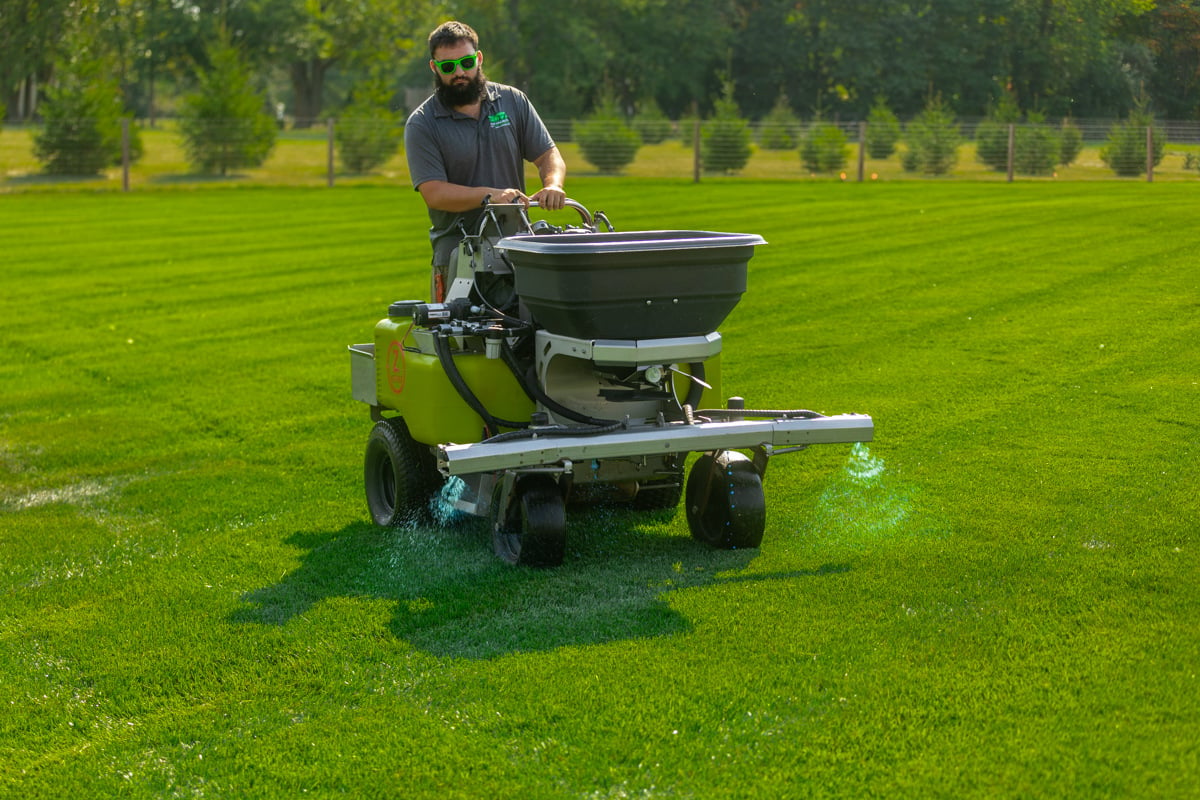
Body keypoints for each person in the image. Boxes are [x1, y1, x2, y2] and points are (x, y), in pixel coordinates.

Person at [405, 21, 566, 301]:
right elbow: (435, 193)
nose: (459, 72)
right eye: (448, 66)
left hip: (518, 248)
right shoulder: (422, 123)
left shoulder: (512, 101)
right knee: (463, 341)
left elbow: (548, 154)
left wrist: (553, 184)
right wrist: (491, 196)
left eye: (466, 62)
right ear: (434, 68)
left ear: (478, 59)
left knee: (529, 336)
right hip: (458, 255)